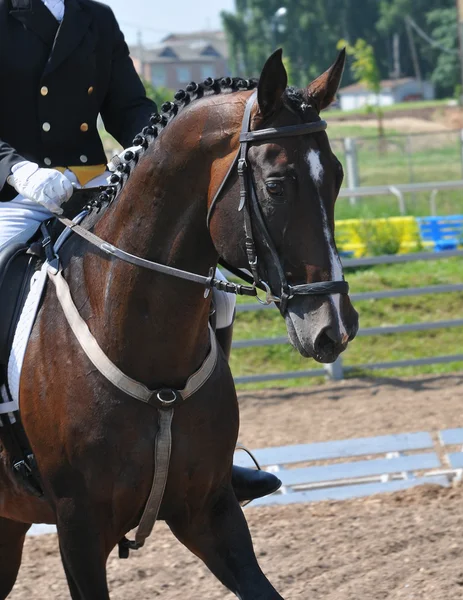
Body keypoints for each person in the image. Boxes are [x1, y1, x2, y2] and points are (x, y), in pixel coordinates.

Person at [0, 0, 280, 502]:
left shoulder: (96, 17)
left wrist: (145, 144)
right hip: (15, 193)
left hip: (92, 186)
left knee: (211, 289)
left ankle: (214, 449)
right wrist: (18, 170)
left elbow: (129, 105)